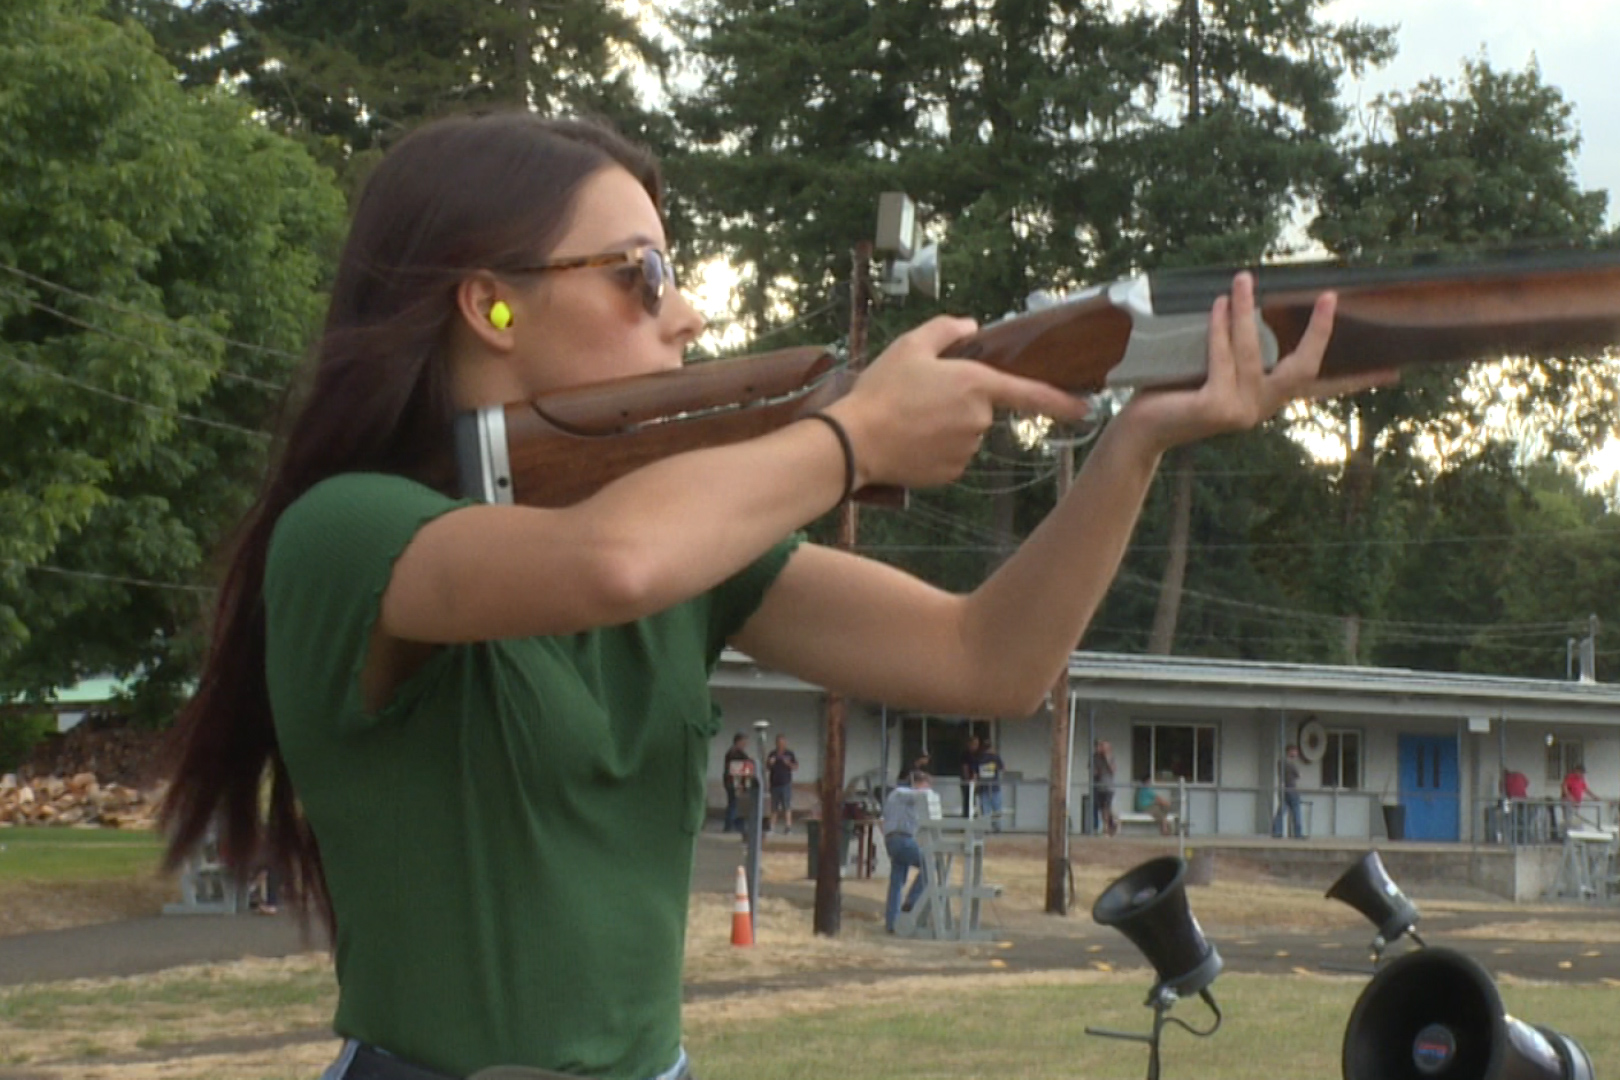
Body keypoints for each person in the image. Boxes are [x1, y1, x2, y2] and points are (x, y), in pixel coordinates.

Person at [152, 110, 1386, 1080]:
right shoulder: (350, 532)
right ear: (492, 302)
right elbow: (609, 564)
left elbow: (986, 661)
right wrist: (853, 437)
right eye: (640, 273)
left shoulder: (691, 551)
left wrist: (1135, 445)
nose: (684, 311)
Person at [881, 771, 935, 934]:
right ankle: (911, 901)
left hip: (894, 840)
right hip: (902, 839)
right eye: (926, 785)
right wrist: (929, 793)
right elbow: (921, 795)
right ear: (918, 783)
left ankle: (892, 923)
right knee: (930, 865)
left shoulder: (901, 797)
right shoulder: (900, 793)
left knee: (897, 882)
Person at [765, 734, 799, 835]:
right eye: (779, 743)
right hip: (774, 783)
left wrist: (788, 763)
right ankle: (772, 827)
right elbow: (767, 767)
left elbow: (795, 767)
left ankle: (788, 827)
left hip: (785, 783)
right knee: (774, 807)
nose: (781, 745)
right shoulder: (772, 754)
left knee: (786, 806)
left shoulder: (789, 754)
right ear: (776, 743)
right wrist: (770, 763)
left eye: (783, 743)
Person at [723, 732, 755, 834]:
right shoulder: (734, 753)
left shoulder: (738, 753)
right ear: (739, 741)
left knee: (739, 804)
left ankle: (738, 826)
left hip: (737, 782)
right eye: (744, 741)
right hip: (735, 782)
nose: (745, 744)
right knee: (734, 804)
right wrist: (739, 784)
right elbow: (736, 769)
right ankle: (730, 825)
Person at [973, 738, 1007, 831]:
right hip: (995, 786)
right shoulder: (995, 757)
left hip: (983, 787)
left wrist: (976, 786)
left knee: (985, 809)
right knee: (997, 809)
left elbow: (975, 774)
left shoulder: (979, 758)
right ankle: (997, 827)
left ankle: (986, 827)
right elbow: (1003, 768)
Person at [1272, 745, 1304, 839]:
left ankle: (1277, 831)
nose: (1296, 753)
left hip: (1284, 789)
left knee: (1281, 811)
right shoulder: (1290, 763)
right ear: (1290, 751)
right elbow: (1298, 775)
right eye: (1295, 751)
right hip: (1292, 789)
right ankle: (1298, 833)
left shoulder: (1280, 762)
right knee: (1296, 811)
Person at [1090, 740, 1117, 837]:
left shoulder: (1111, 758)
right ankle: (1111, 825)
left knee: (1107, 807)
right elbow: (1093, 771)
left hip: (1108, 786)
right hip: (1099, 786)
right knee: (1102, 809)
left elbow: (1113, 770)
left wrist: (1107, 757)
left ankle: (1106, 828)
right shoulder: (1096, 758)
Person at [1559, 764, 1589, 837]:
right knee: (1568, 820)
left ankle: (1575, 836)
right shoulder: (1570, 777)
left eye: (1583, 773)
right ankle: (1566, 837)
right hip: (1568, 802)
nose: (1582, 774)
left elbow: (1585, 789)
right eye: (1581, 772)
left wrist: (1594, 797)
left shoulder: (1581, 779)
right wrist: (1570, 798)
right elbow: (1564, 787)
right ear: (1576, 771)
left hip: (1577, 803)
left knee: (1576, 820)